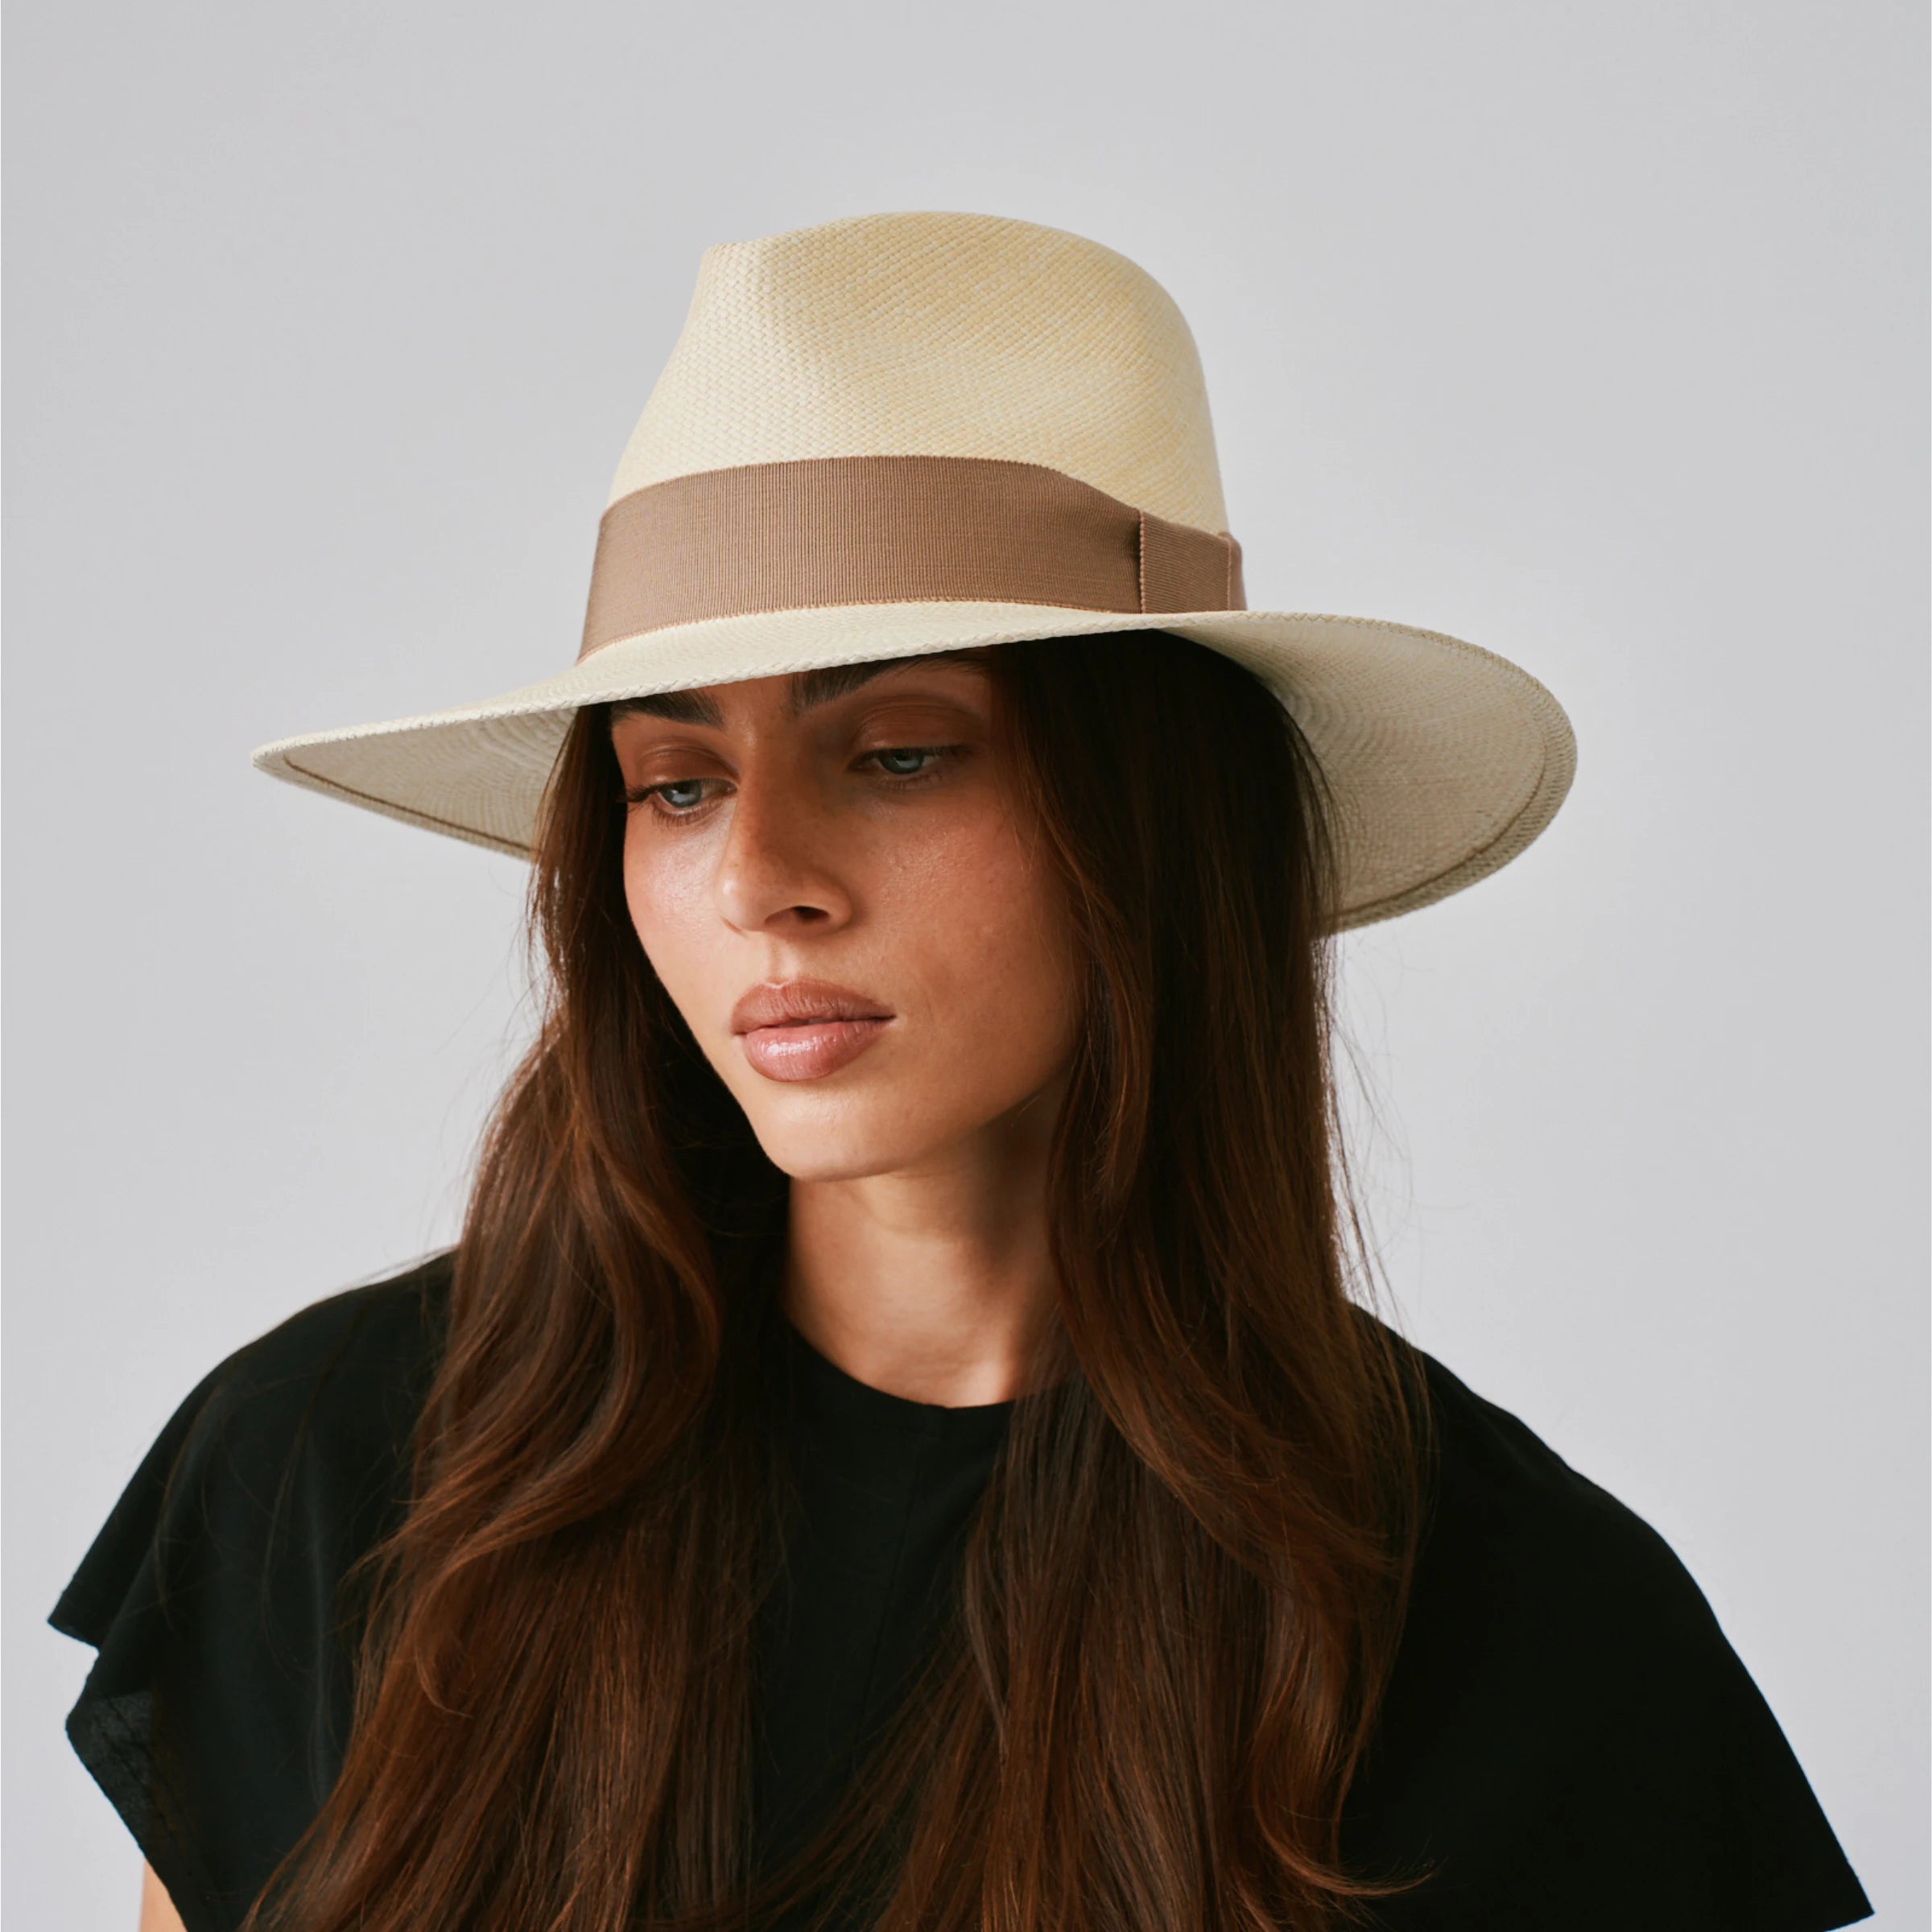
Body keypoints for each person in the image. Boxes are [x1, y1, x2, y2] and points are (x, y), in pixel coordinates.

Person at [52, 212, 1872, 1932]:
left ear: (1153, 823)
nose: (763, 875)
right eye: (675, 784)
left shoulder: (1522, 1636)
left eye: (901, 753)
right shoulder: (333, 1473)